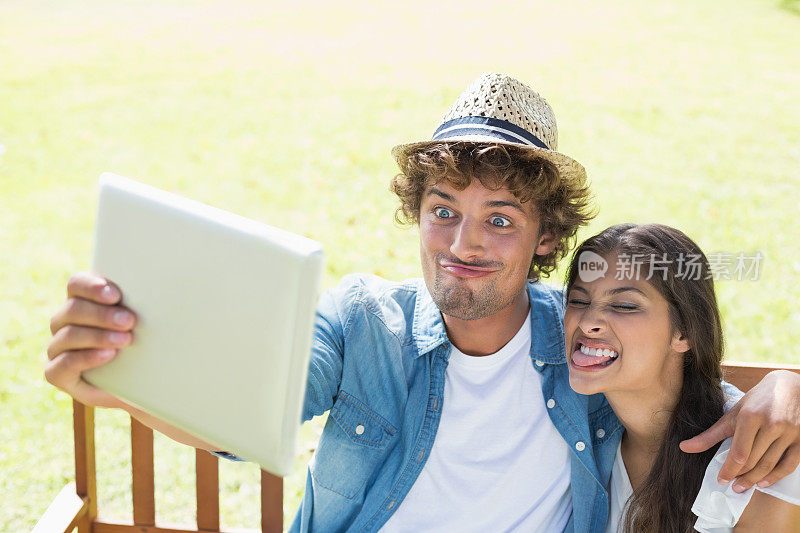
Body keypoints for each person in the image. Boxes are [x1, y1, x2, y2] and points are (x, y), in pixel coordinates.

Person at [44, 73, 800, 532]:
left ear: (545, 239)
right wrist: (123, 379)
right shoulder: (362, 321)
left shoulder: (578, 352)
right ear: (419, 211)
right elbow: (253, 407)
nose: (463, 242)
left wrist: (785, 387)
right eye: (444, 209)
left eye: (499, 218)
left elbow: (689, 401)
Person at [564, 223, 800, 532]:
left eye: (624, 305)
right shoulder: (582, 433)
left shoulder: (757, 459)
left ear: (685, 332)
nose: (589, 321)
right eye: (578, 301)